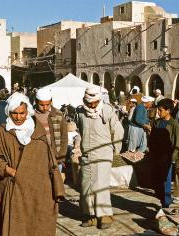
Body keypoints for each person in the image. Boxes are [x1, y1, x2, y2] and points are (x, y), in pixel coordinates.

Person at [0, 92, 59, 236]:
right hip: (12, 186)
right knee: (15, 224)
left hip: (38, 189)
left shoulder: (37, 131)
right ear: (9, 112)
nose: (19, 117)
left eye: (22, 113)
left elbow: (49, 159)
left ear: (27, 111)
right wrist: (9, 170)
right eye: (14, 113)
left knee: (37, 222)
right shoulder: (2, 132)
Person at [77, 87, 124, 229]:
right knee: (86, 187)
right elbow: (80, 130)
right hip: (87, 154)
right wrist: (78, 149)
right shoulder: (80, 112)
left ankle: (105, 217)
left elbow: (118, 131)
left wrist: (115, 151)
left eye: (95, 102)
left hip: (103, 154)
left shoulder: (108, 110)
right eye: (89, 102)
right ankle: (90, 215)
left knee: (100, 186)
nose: (92, 105)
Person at [148, 98, 179, 209]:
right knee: (157, 179)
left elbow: (177, 143)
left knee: (166, 180)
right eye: (158, 110)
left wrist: (173, 157)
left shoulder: (174, 124)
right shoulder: (157, 122)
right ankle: (162, 198)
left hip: (167, 157)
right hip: (156, 156)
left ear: (168, 110)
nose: (158, 112)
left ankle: (166, 203)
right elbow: (152, 138)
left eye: (161, 110)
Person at [34, 88, 68, 173]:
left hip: (55, 157)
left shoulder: (58, 114)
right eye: (41, 105)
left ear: (51, 102)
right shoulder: (31, 115)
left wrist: (61, 156)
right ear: (36, 101)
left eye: (47, 104)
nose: (45, 107)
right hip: (37, 156)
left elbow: (64, 137)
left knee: (56, 183)